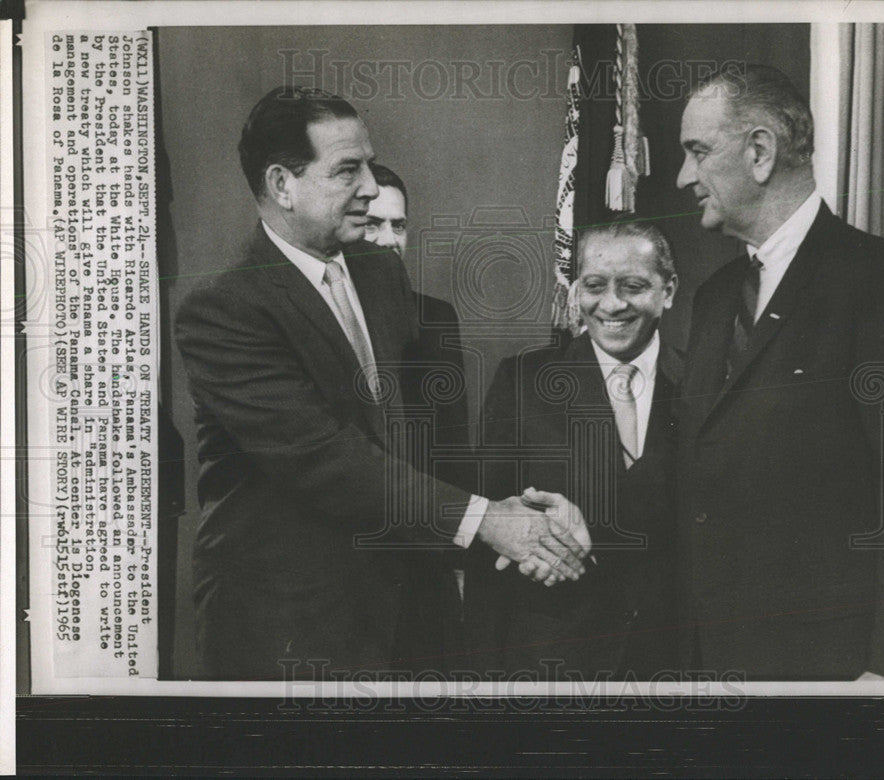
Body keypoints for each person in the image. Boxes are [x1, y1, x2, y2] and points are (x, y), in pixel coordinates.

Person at [174, 86, 589, 680]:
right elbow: (328, 458)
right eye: (347, 169)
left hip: (407, 613)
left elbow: (422, 445)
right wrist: (491, 523)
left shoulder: (379, 271)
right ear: (281, 185)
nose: (370, 186)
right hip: (289, 627)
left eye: (368, 163)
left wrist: (523, 507)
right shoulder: (223, 312)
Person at [674, 65, 884, 680]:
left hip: (835, 670)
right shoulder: (715, 296)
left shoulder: (883, 280)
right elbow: (696, 463)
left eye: (697, 152)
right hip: (713, 662)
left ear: (759, 151)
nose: (683, 177)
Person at [464, 219, 684, 680]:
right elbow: (488, 552)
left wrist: (595, 541)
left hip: (677, 660)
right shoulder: (522, 382)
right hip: (552, 663)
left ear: (668, 290)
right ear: (575, 291)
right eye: (595, 285)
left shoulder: (706, 383)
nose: (611, 304)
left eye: (633, 286)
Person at [364, 162, 471, 661]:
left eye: (399, 225)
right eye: (373, 224)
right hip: (351, 558)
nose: (388, 239)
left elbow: (452, 449)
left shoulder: (435, 320)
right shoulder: (315, 315)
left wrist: (457, 562)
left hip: (425, 555)